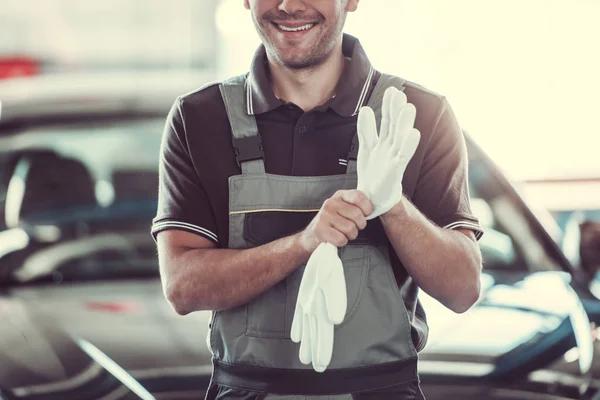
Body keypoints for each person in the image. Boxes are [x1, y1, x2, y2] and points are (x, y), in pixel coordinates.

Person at [152, 0, 484, 399]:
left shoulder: (418, 116)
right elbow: (183, 287)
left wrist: (392, 204)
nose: (290, 5)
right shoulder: (199, 118)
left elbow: (463, 288)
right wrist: (304, 243)